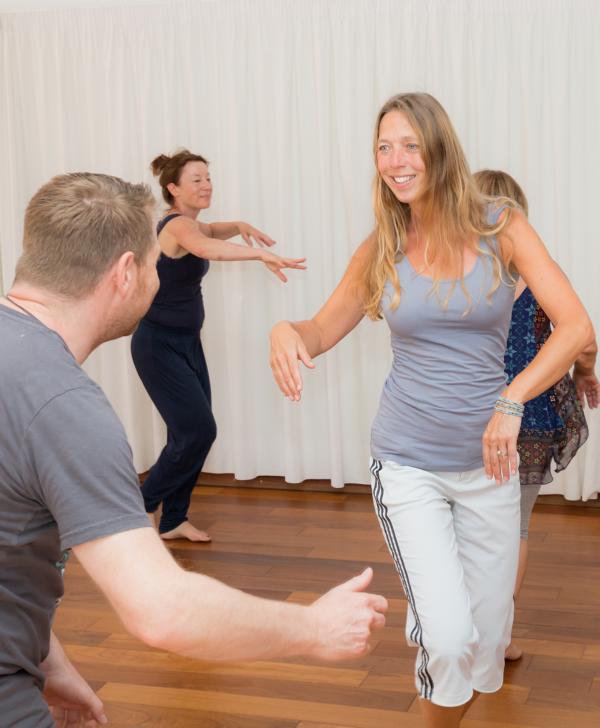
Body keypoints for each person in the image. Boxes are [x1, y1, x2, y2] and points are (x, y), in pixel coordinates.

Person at [0, 173, 387, 728]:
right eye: (154, 263)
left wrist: (43, 656)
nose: (158, 275)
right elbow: (162, 610)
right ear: (125, 273)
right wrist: (314, 628)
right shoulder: (65, 409)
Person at [269, 93, 595, 727]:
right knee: (446, 641)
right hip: (408, 464)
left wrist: (512, 398)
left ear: (440, 150)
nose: (395, 161)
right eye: (384, 148)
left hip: (491, 468)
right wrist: (286, 330)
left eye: (409, 146)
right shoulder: (383, 246)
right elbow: (321, 328)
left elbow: (576, 326)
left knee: (486, 646)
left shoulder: (500, 227)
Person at [131, 149, 306, 542]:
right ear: (174, 188)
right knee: (198, 431)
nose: (206, 185)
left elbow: (214, 232)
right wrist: (258, 253)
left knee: (188, 435)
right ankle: (137, 509)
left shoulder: (193, 224)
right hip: (158, 346)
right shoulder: (176, 226)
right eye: (196, 180)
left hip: (186, 344)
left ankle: (173, 520)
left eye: (208, 178)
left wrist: (240, 225)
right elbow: (206, 247)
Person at [474, 169, 599, 660]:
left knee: (470, 526)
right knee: (516, 528)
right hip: (531, 417)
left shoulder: (462, 278)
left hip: (475, 414)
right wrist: (585, 374)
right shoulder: (542, 271)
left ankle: (466, 629)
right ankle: (498, 637)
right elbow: (584, 339)